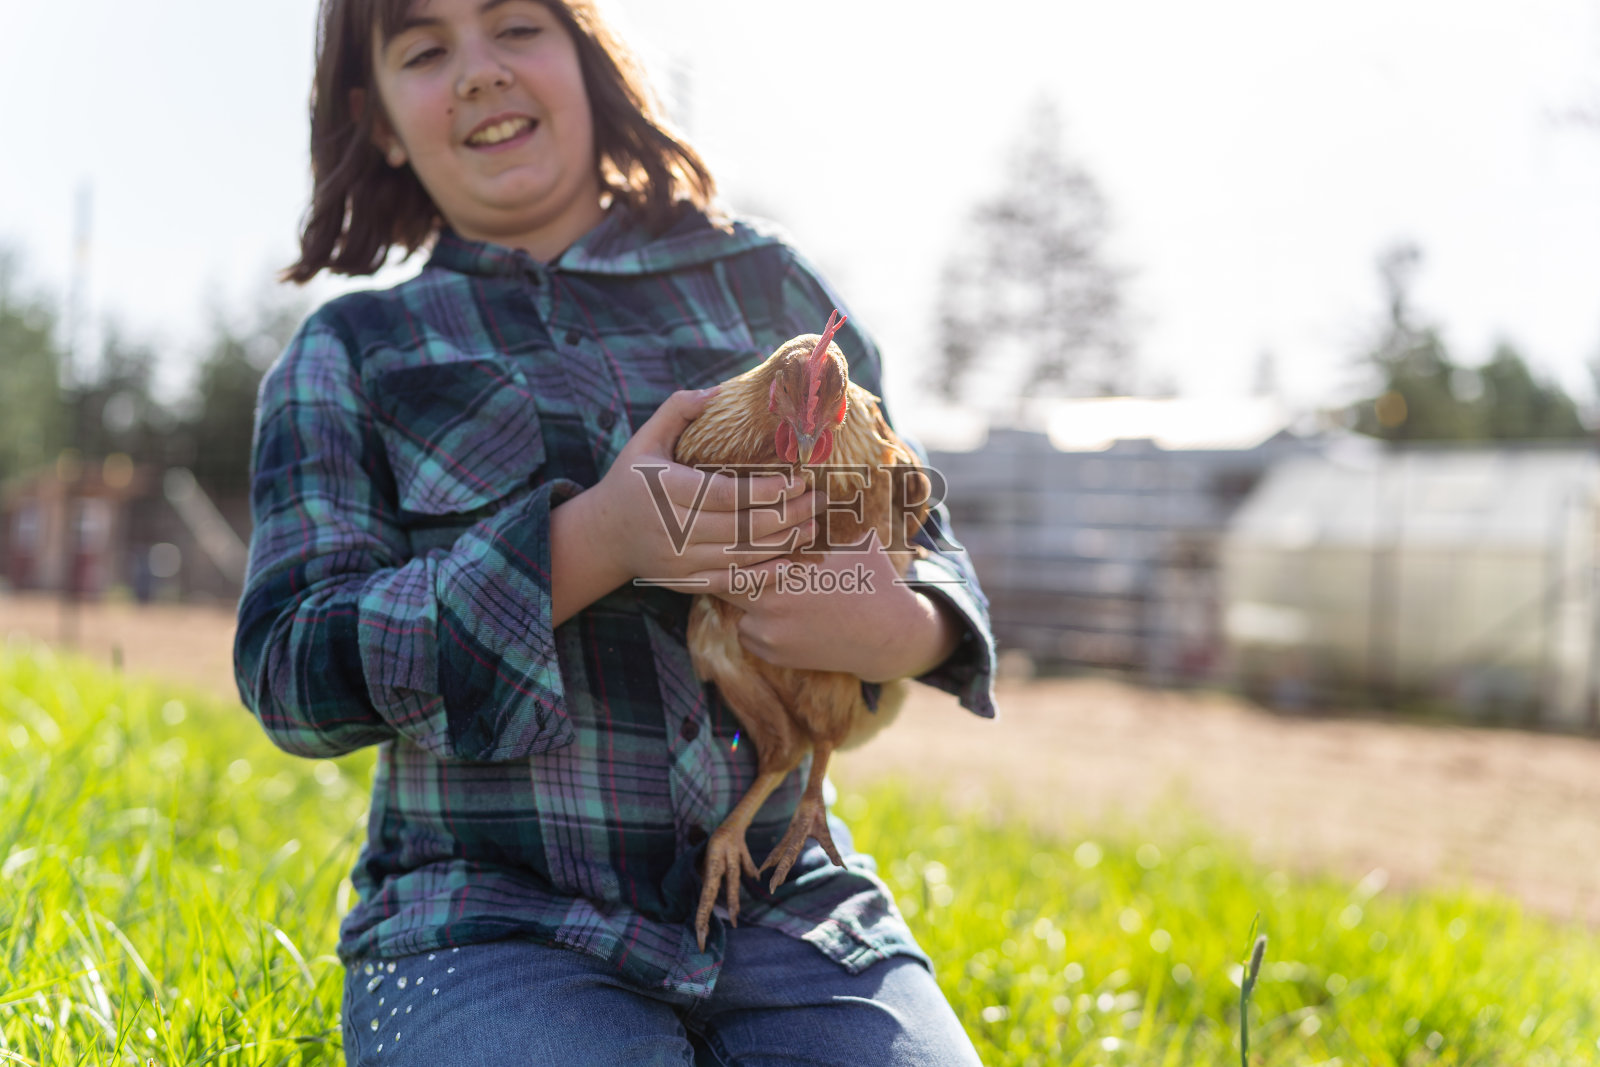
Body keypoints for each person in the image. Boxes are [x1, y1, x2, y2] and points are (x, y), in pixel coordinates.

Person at [234, 1, 998, 1063]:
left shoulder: (765, 285)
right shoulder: (353, 353)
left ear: (590, 57)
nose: (477, 73)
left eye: (515, 27)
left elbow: (925, 531)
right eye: (425, 50)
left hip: (791, 901)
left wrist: (903, 630)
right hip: (488, 917)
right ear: (376, 120)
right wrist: (594, 542)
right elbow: (291, 672)